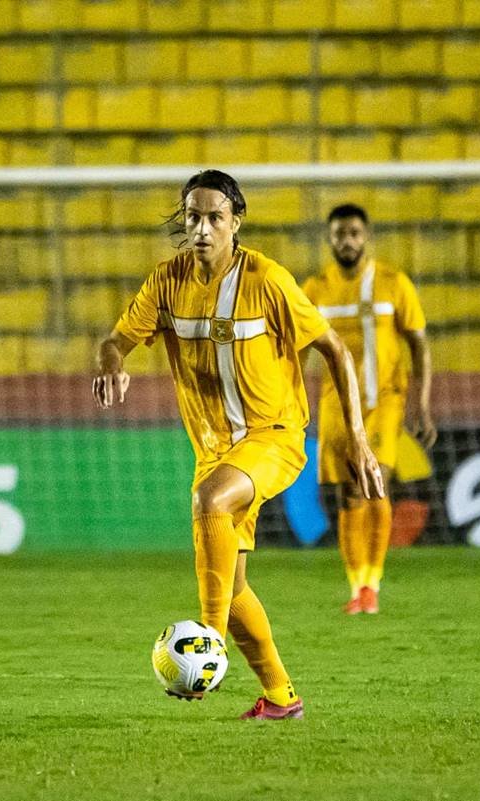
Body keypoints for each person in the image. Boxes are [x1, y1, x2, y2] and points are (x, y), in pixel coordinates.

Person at [94, 171, 384, 721]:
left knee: (208, 502)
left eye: (214, 218)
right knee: (234, 587)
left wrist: (359, 442)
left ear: (236, 222)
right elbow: (117, 339)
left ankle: (207, 642)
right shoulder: (166, 281)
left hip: (273, 435)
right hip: (215, 450)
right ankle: (281, 698)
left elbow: (334, 349)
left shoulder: (267, 280)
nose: (202, 229)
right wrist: (113, 365)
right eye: (193, 217)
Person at [302, 204, 436, 615]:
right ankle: (357, 583)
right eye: (340, 233)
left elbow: (419, 344)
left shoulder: (394, 284)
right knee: (346, 494)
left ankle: (372, 585)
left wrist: (423, 403)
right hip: (335, 405)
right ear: (330, 238)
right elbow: (295, 348)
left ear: (367, 236)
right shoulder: (315, 289)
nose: (347, 240)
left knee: (376, 482)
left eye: (355, 233)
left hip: (384, 402)